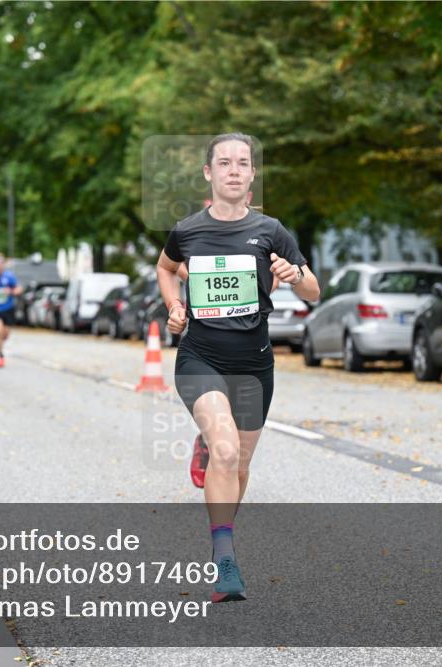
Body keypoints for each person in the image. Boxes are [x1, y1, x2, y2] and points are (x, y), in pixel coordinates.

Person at [156, 133, 320, 603]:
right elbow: (166, 268)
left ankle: (211, 453)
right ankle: (224, 557)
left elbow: (314, 291)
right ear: (208, 173)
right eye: (223, 162)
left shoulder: (271, 231)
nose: (233, 169)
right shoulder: (187, 231)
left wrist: (295, 275)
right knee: (226, 451)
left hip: (254, 365)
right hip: (200, 356)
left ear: (251, 176)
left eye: (242, 163)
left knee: (240, 462)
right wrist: (174, 306)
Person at [0, 253, 22, 368]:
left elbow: (19, 289)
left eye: (2, 263)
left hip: (8, 309)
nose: (0, 265)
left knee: (5, 335)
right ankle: (1, 356)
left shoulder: (9, 276)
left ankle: (1, 346)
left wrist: (10, 292)